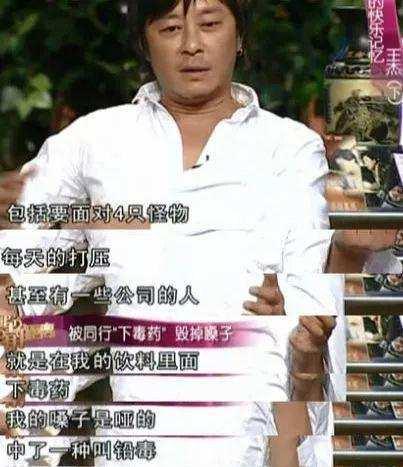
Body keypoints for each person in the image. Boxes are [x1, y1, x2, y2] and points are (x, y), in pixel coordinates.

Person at [0, 0, 351, 465]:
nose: (191, 45)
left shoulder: (289, 149)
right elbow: (20, 251)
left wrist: (294, 318)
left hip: (251, 442)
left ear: (240, 37)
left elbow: (309, 308)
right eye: (169, 29)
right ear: (144, 44)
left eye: (210, 24)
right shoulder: (94, 142)